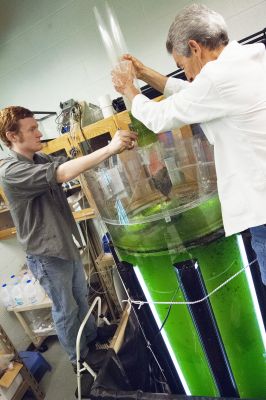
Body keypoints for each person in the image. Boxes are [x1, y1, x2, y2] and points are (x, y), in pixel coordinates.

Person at [111, 4, 266, 287]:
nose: (188, 75)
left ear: (195, 47)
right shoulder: (248, 58)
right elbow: (196, 94)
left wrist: (127, 89)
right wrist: (145, 74)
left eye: (183, 66)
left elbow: (158, 117)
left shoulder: (217, 79)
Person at [0, 106, 137, 369]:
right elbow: (61, 173)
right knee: (65, 308)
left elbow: (64, 166)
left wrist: (105, 151)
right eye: (31, 129)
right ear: (12, 135)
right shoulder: (11, 171)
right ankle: (79, 358)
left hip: (63, 243)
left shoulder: (37, 159)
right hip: (46, 253)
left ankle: (91, 337)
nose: (39, 132)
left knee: (80, 296)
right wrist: (109, 149)